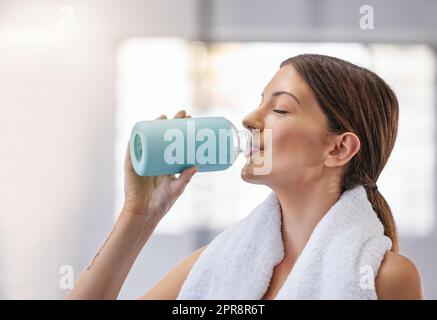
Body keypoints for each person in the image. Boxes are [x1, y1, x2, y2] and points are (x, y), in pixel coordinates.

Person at [67, 54, 424, 300]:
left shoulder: (386, 277)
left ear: (339, 149)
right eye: (260, 102)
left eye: (280, 109)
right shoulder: (216, 264)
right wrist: (138, 216)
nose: (251, 118)